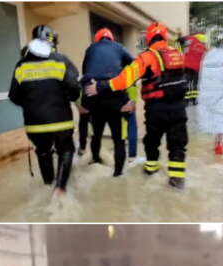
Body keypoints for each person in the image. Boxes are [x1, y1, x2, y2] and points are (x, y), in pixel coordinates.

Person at [85, 22, 188, 189]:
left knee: (152, 143)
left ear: (148, 38)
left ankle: (150, 175)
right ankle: (177, 183)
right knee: (177, 146)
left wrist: (100, 86)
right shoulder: (178, 54)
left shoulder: (147, 57)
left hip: (157, 109)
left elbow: (125, 79)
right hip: (179, 109)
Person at [8, 25, 81, 195]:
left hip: (34, 125)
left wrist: (31, 104)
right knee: (67, 149)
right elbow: (74, 87)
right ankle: (61, 188)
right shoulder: (61, 60)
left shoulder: (22, 65)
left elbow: (13, 96)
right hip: (61, 121)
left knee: (43, 152)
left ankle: (48, 185)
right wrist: (69, 99)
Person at [81, 28, 134, 176]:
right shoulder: (119, 48)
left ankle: (96, 162)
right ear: (111, 38)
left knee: (96, 135)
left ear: (97, 39)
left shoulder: (90, 49)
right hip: (115, 97)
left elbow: (85, 72)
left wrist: (84, 102)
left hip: (94, 97)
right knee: (118, 139)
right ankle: (118, 173)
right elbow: (135, 66)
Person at [180, 33, 208, 105]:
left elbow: (183, 39)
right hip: (196, 68)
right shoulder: (203, 47)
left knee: (186, 82)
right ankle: (194, 100)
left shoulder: (192, 39)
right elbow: (206, 52)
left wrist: (180, 38)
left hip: (187, 66)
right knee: (195, 84)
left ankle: (186, 100)